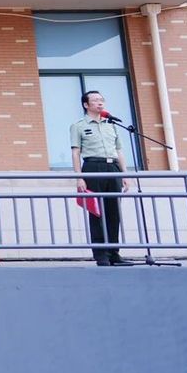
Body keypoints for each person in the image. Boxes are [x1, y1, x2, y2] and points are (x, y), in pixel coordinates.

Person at [71, 90, 134, 266]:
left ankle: (114, 253)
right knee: (97, 212)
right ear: (86, 105)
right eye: (95, 100)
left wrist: (125, 174)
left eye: (102, 100)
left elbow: (119, 151)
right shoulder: (78, 126)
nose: (100, 103)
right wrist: (79, 177)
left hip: (112, 167)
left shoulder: (111, 125)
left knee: (113, 211)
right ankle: (101, 254)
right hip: (93, 167)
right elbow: (76, 153)